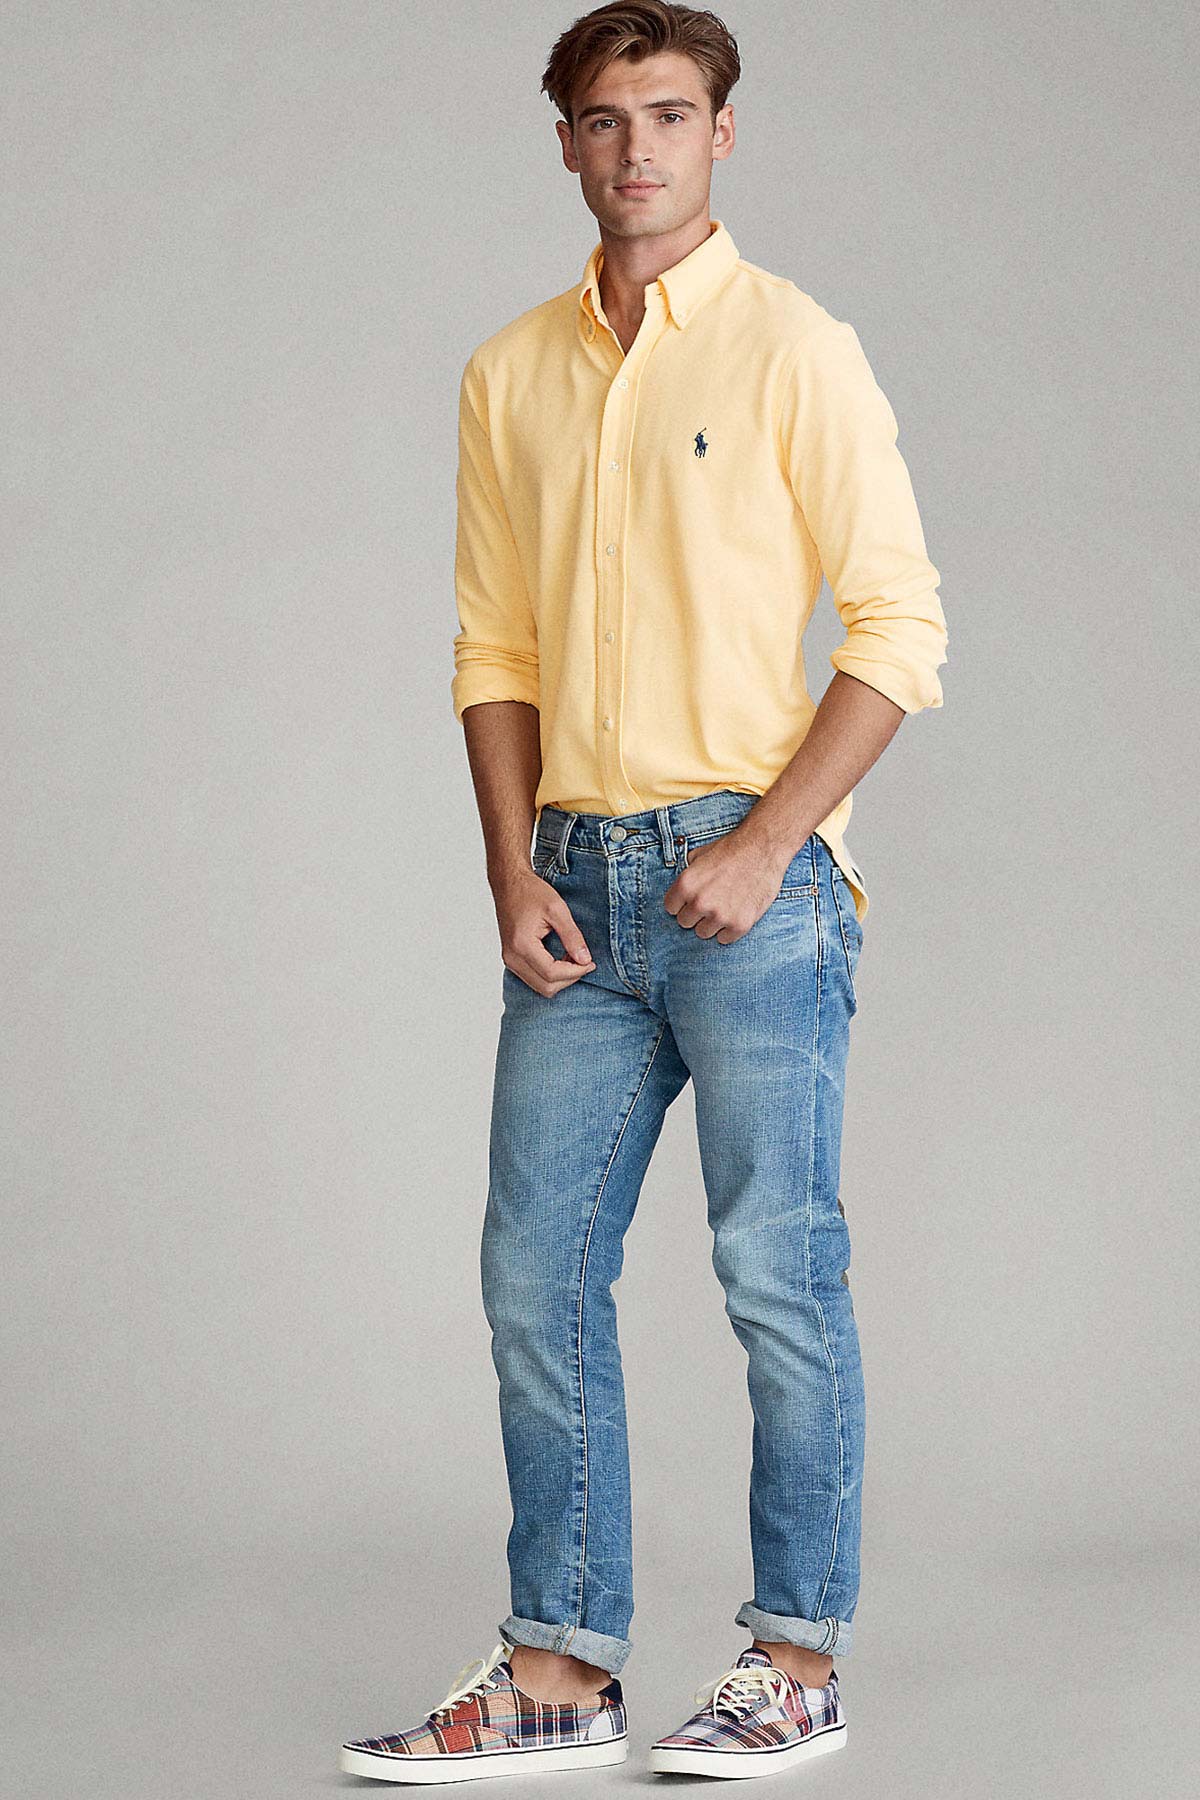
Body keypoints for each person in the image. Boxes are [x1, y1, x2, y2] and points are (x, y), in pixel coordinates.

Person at [341, 0, 947, 1782]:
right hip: (575, 890)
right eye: (606, 120)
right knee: (534, 1274)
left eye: (671, 114)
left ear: (722, 133)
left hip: (756, 881)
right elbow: (496, 647)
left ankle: (795, 1661)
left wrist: (766, 845)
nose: (638, 149)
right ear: (565, 143)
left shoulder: (794, 349)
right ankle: (559, 1671)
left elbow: (901, 628)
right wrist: (509, 865)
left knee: (777, 1273)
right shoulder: (510, 372)